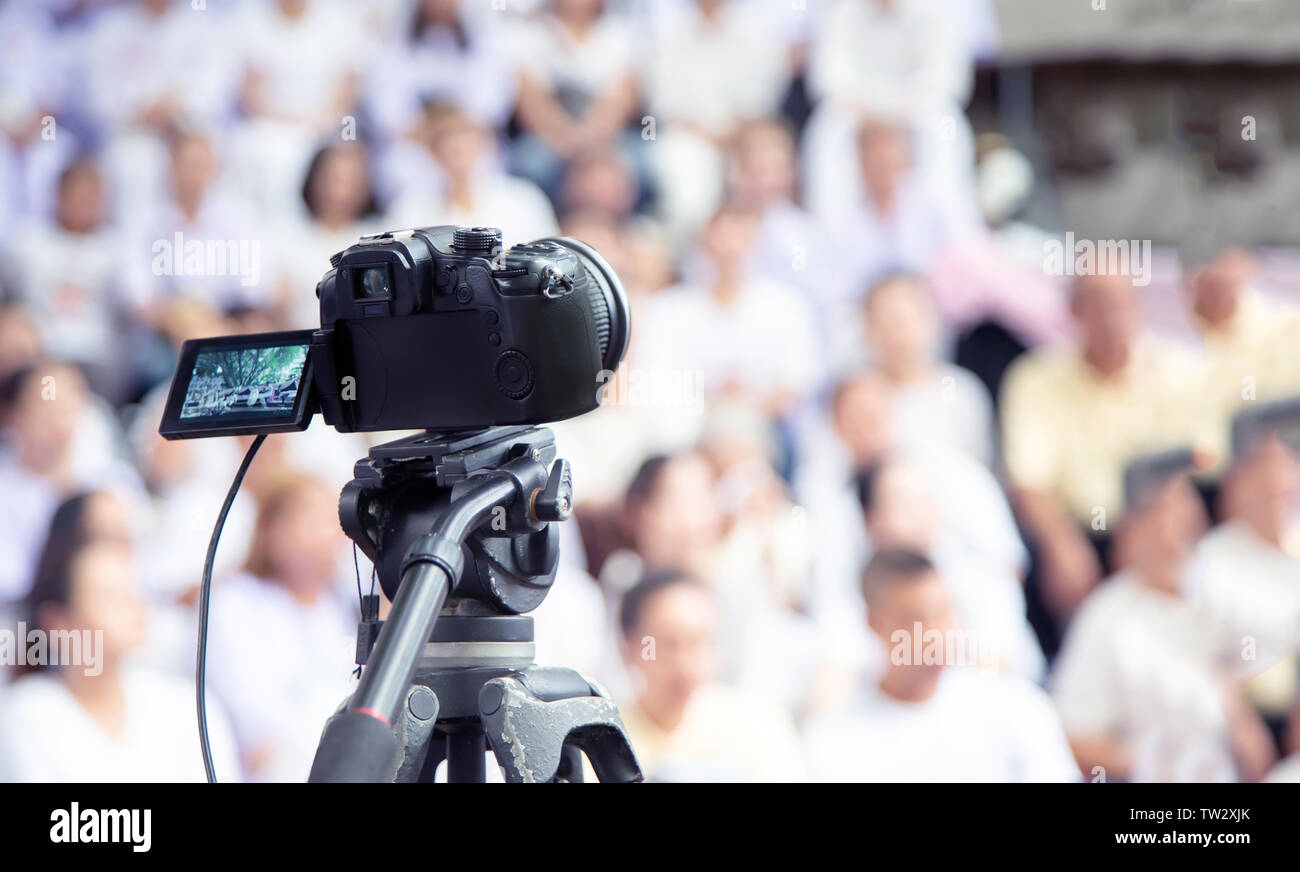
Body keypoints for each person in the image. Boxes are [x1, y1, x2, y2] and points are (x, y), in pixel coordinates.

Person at [1051, 464, 1274, 782]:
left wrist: (1241, 717)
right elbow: (1070, 739)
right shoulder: (1106, 617)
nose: (1182, 522)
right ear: (1133, 529)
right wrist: (1148, 763)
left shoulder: (1219, 592)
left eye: (1187, 505)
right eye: (1165, 511)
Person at [1001, 272, 1200, 624]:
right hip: (1075, 533)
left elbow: (1185, 469)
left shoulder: (1175, 369)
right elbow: (1029, 483)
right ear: (1074, 311)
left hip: (1151, 522)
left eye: (1120, 303)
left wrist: (1149, 535)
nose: (1111, 317)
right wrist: (1061, 544)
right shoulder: (1035, 378)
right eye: (1097, 304)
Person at [803, 549, 1079, 782]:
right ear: (874, 623)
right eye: (915, 620)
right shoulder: (835, 740)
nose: (936, 634)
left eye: (943, 611)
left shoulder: (1017, 707)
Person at [0, 539, 238, 781]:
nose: (133, 604)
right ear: (58, 623)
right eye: (110, 597)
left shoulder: (187, 706)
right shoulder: (26, 716)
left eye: (132, 591)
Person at [205, 475, 360, 782]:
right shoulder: (235, 600)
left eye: (332, 524)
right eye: (312, 522)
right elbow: (250, 716)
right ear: (272, 530)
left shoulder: (345, 600)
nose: (326, 537)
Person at [616, 571, 805, 782]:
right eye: (668, 644)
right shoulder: (606, 740)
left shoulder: (762, 728)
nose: (685, 662)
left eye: (699, 642)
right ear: (629, 647)